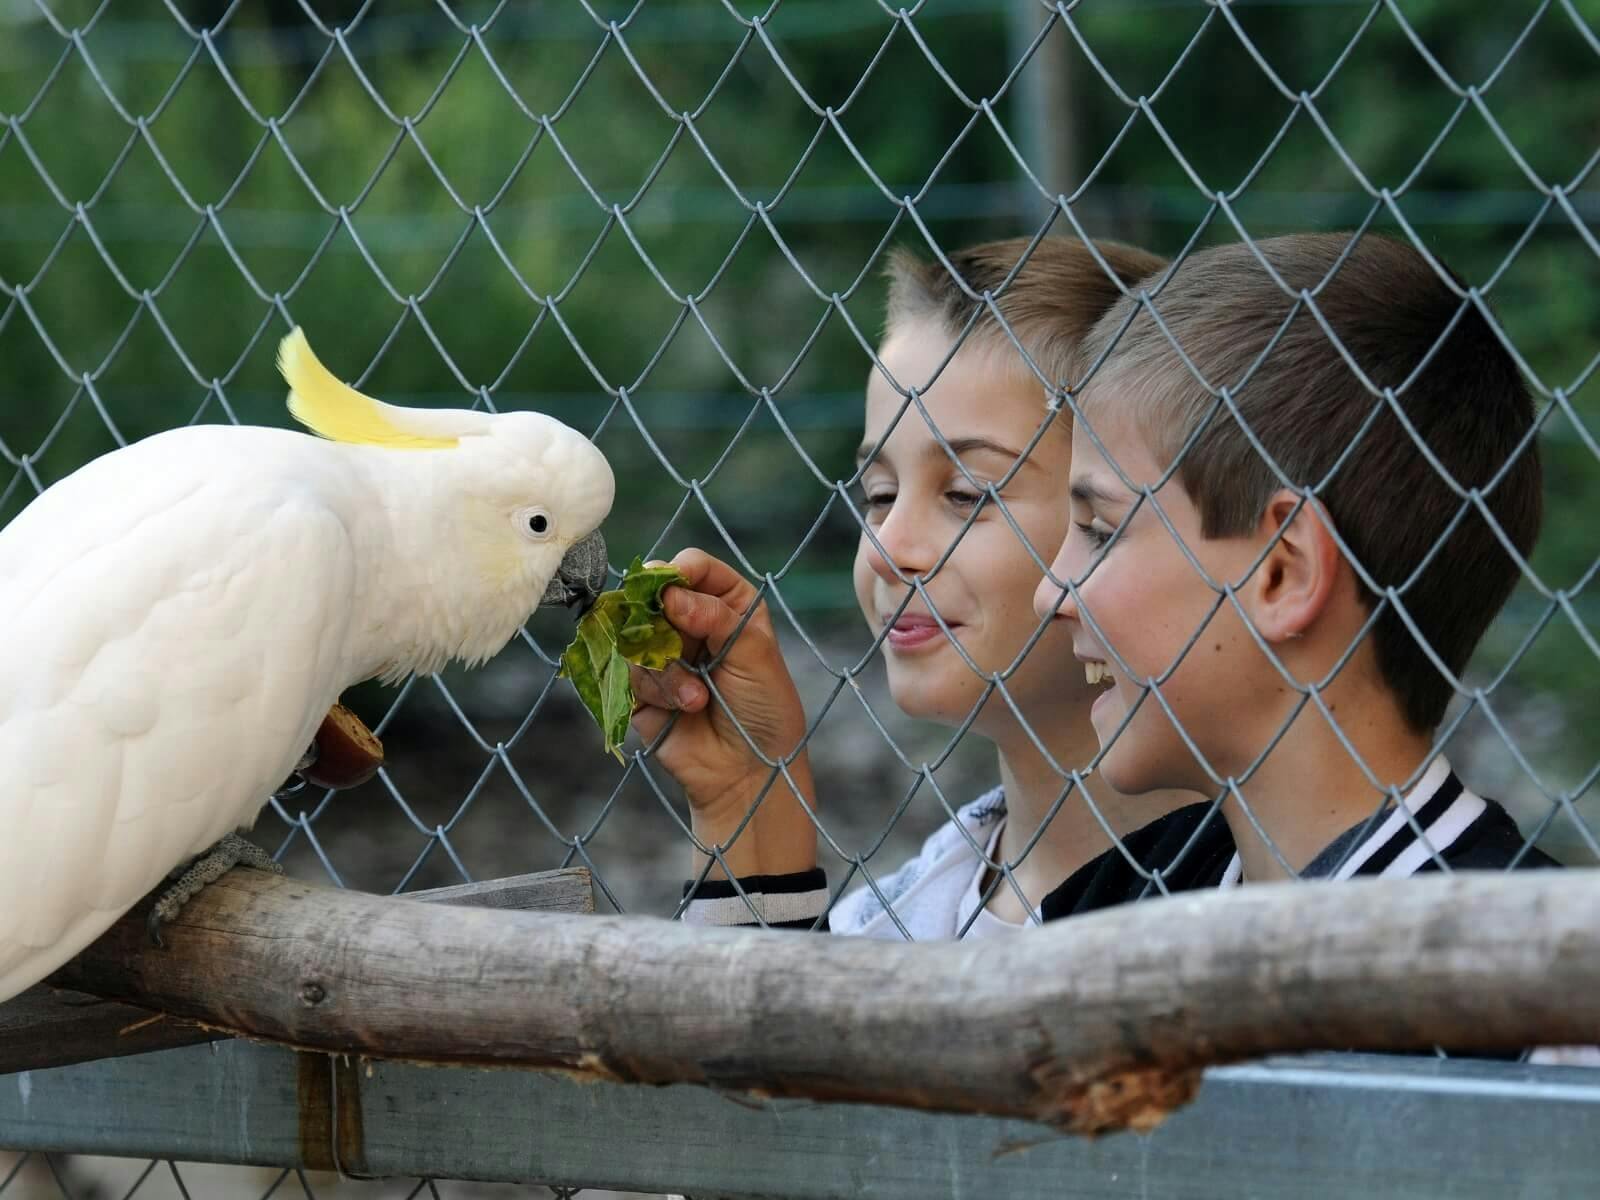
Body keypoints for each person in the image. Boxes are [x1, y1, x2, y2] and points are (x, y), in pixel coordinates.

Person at [628, 235, 1233, 939]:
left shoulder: (1267, 884)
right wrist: (746, 804)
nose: (888, 549)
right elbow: (766, 1044)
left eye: (968, 494)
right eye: (879, 494)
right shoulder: (901, 920)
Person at [1031, 231, 1559, 885]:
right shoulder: (1104, 900)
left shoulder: (1512, 970)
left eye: (1102, 530)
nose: (1050, 592)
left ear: (1283, 572)